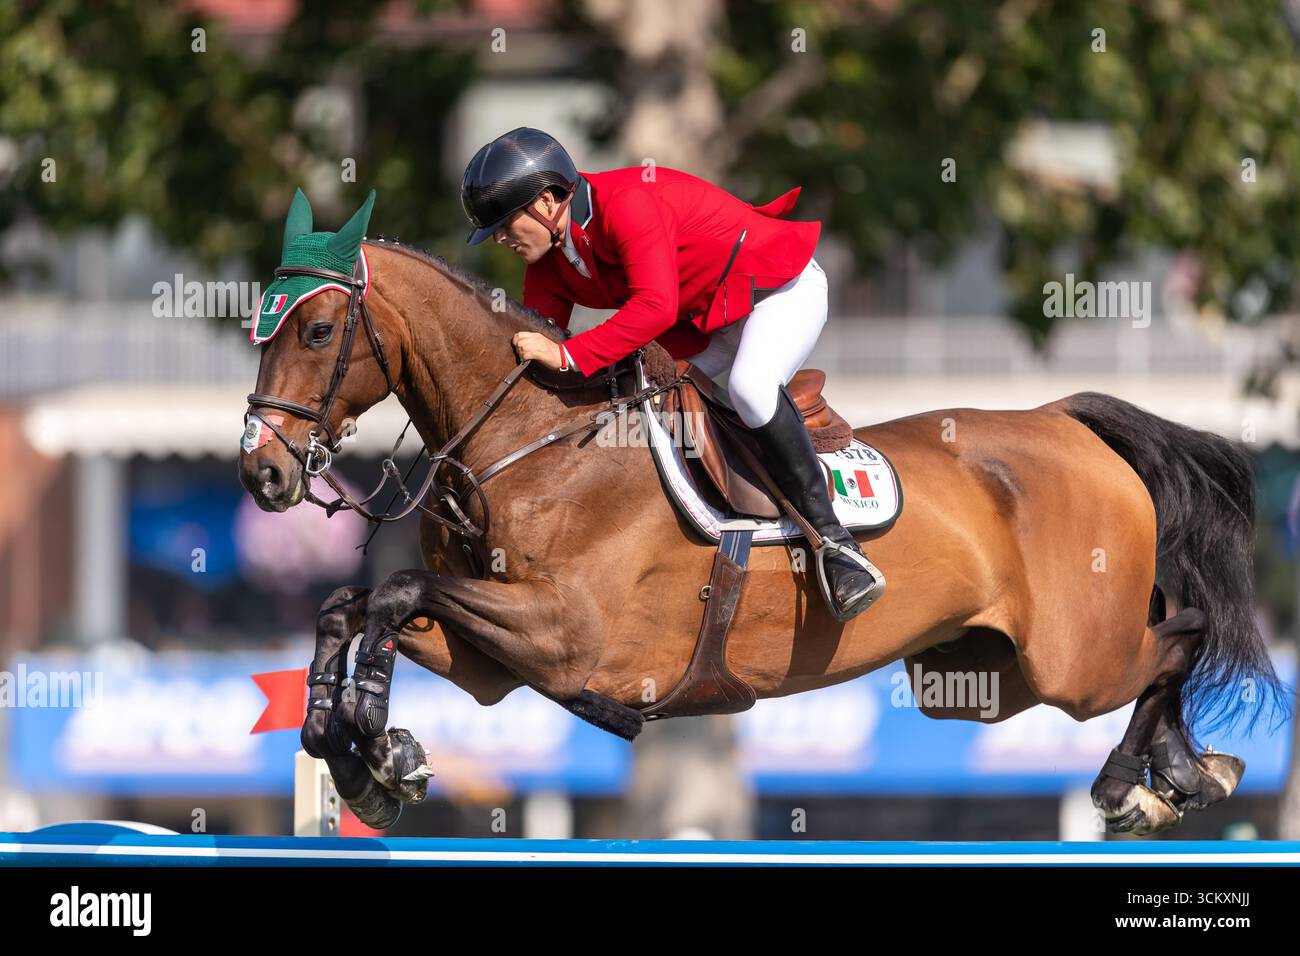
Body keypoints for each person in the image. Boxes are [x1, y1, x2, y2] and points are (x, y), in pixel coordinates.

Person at [460, 127, 884, 621]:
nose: (504, 240)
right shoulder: (548, 261)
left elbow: (654, 308)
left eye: (507, 225)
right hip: (705, 325)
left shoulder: (625, 204)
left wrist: (571, 357)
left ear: (549, 201)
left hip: (776, 290)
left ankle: (838, 547)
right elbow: (543, 350)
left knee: (749, 387)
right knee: (642, 409)